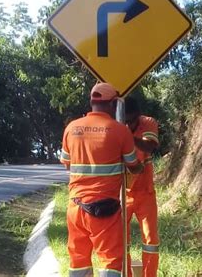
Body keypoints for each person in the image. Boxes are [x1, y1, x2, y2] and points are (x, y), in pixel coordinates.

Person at [60, 82, 142, 277]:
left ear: (91, 102)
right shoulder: (120, 131)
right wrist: (139, 167)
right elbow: (133, 164)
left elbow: (66, 163)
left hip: (76, 207)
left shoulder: (72, 128)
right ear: (113, 104)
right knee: (110, 260)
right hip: (105, 209)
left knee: (78, 259)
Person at [125, 96, 160, 277]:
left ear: (138, 116)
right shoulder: (116, 125)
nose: (129, 124)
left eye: (132, 120)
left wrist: (128, 137)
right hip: (122, 194)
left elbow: (150, 146)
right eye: (126, 120)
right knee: (123, 242)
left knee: (150, 241)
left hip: (145, 192)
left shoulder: (148, 122)